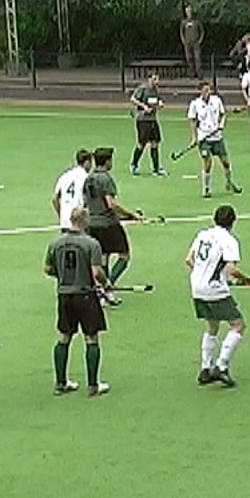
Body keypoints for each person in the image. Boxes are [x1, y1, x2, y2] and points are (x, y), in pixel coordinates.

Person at [187, 205, 250, 388]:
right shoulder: (229, 240)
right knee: (238, 325)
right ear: (232, 222)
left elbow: (189, 260)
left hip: (196, 287)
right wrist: (248, 280)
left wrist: (207, 277)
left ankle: (205, 368)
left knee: (212, 325)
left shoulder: (202, 235)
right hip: (215, 290)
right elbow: (231, 269)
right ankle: (221, 366)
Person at [44, 206, 113, 397]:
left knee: (64, 336)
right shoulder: (91, 244)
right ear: (84, 221)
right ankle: (93, 385)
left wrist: (64, 276)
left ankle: (60, 382)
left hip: (64, 294)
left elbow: (48, 269)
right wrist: (106, 284)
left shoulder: (55, 243)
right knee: (91, 338)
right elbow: (96, 272)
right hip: (85, 295)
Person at [82, 146, 145, 307]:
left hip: (92, 224)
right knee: (124, 255)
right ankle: (107, 287)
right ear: (107, 161)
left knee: (103, 257)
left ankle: (103, 293)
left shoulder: (88, 179)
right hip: (108, 224)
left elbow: (86, 203)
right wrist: (130, 214)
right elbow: (111, 204)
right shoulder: (106, 179)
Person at [186, 81, 243, 198]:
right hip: (204, 138)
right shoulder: (195, 104)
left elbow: (223, 114)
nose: (208, 92)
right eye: (205, 90)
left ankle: (229, 182)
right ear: (200, 91)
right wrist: (194, 138)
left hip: (217, 137)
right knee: (208, 163)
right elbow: (192, 121)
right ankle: (206, 188)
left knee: (225, 162)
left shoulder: (216, 100)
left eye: (209, 90)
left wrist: (221, 124)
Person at [129, 71, 167, 176]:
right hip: (143, 120)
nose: (156, 81)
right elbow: (133, 99)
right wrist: (143, 107)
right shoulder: (142, 89)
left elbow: (157, 101)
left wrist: (160, 104)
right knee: (142, 144)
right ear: (149, 79)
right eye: (154, 79)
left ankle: (156, 168)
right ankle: (134, 165)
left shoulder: (156, 90)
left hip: (153, 119)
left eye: (157, 79)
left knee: (155, 142)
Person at [51, 148, 92, 232]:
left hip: (65, 221)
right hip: (80, 221)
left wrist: (61, 215)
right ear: (87, 162)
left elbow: (55, 199)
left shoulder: (65, 176)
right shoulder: (87, 178)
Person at [179, 5, 205, 80]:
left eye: (190, 11)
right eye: (187, 11)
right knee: (189, 58)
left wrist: (200, 40)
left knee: (197, 58)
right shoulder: (184, 22)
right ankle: (192, 73)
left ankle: (199, 74)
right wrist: (183, 40)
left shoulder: (197, 21)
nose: (189, 13)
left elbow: (202, 31)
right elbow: (181, 32)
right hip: (187, 43)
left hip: (196, 42)